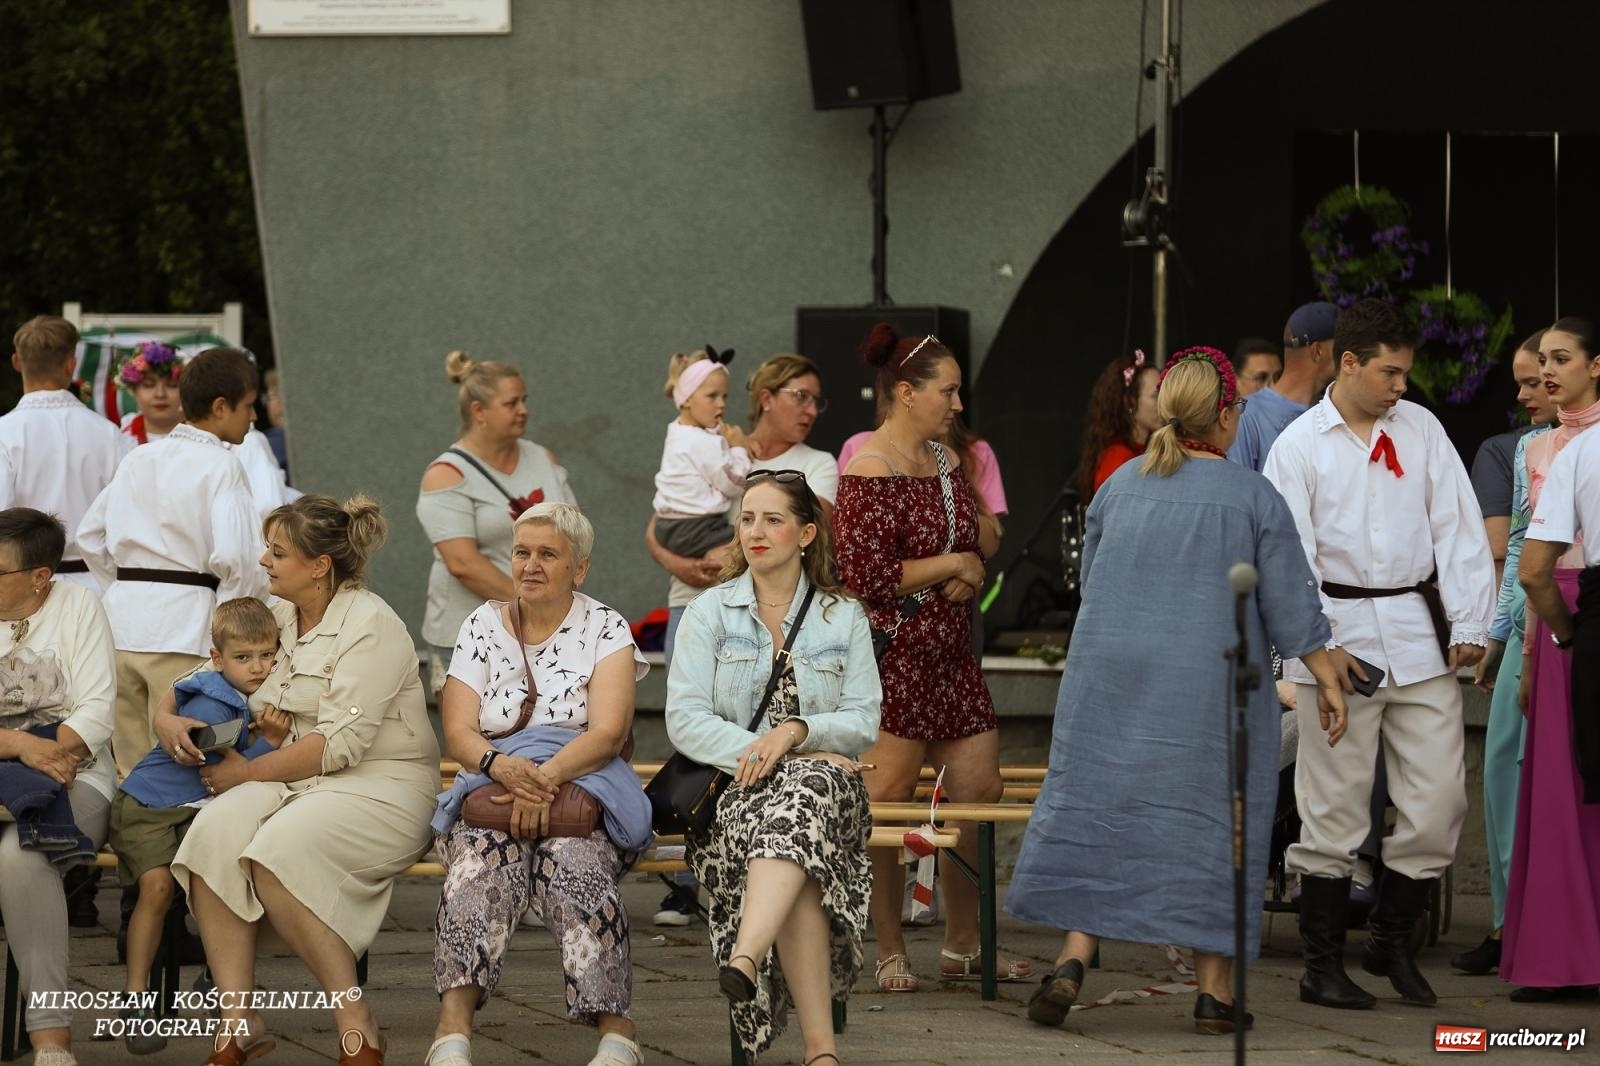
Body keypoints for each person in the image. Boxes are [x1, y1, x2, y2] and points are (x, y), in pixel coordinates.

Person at [1008, 348, 1346, 1034]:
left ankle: (1072, 959)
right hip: (1209, 684)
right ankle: (1214, 993)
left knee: (1101, 806)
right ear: (1226, 417)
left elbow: (1092, 581)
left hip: (1109, 677)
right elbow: (1290, 607)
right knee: (1216, 822)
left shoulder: (1120, 484)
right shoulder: (1253, 494)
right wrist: (1329, 676)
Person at [1263, 298, 1495, 1010]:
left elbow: (1457, 526)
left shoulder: (1421, 429)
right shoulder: (1299, 445)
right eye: (1389, 372)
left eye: (1406, 373)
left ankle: (1392, 939)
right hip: (1334, 644)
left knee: (1440, 802)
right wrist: (1314, 646)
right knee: (1331, 807)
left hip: (1416, 634)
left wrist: (1470, 621)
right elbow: (1287, 554)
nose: (1401, 386)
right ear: (1349, 362)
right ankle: (1322, 965)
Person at [153, 494, 438, 1065]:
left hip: (381, 785)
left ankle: (355, 1016)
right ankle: (238, 1020)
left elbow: (340, 744)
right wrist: (166, 718)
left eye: (277, 552)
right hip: (287, 781)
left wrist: (247, 771)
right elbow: (202, 675)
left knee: (275, 851)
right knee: (211, 833)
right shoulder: (276, 613)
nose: (264, 561)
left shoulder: (372, 622)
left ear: (319, 566)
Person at [836, 324, 1029, 991]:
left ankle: (963, 943)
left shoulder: (947, 462)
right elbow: (865, 575)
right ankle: (889, 947)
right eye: (947, 391)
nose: (956, 404)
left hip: (951, 658)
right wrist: (951, 562)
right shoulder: (867, 469)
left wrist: (968, 564)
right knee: (886, 802)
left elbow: (978, 541)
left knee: (979, 793)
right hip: (894, 663)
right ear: (907, 393)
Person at [665, 470, 881, 1064]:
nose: (755, 532)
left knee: (808, 791)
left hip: (826, 787)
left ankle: (746, 954)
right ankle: (821, 1053)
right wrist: (760, 751)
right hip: (738, 789)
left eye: (773, 519)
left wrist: (798, 733)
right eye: (747, 519)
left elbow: (864, 719)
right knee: (797, 858)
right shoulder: (711, 611)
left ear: (807, 533)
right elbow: (684, 719)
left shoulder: (843, 616)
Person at [428, 502, 652, 1066]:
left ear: (579, 569)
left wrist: (545, 779)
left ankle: (617, 1035)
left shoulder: (606, 627)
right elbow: (457, 729)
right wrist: (505, 769)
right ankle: (451, 1035)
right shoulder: (481, 624)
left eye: (548, 554)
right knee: (477, 869)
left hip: (579, 785)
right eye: (522, 552)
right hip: (494, 784)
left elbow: (607, 732)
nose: (530, 565)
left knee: (578, 868)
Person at [645, 353, 839, 927]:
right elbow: (661, 519)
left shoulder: (816, 462)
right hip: (696, 603)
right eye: (799, 396)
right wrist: (673, 560)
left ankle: (755, 871)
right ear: (766, 398)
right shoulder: (712, 442)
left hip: (772, 612)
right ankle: (685, 878)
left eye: (815, 400)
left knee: (760, 726)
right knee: (698, 724)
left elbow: (818, 526)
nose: (809, 409)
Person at [107, 597, 289, 1055]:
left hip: (191, 808)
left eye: (267, 655)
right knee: (157, 890)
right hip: (148, 805)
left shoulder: (226, 692)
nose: (259, 667)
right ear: (217, 658)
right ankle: (134, 997)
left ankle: (215, 976)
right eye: (244, 658)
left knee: (226, 874)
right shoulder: (213, 704)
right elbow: (222, 769)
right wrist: (268, 741)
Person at [77, 346, 269, 779]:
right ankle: (172, 846)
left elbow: (89, 536)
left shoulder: (139, 456)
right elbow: (238, 560)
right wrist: (231, 626)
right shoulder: (222, 466)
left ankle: (132, 843)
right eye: (248, 405)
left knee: (129, 765)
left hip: (122, 627)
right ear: (221, 407)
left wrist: (124, 587)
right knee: (180, 763)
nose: (254, 416)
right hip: (185, 630)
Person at [1501, 316, 1600, 1002]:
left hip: (1572, 610)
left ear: (1596, 364)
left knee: (1573, 787)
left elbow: (1535, 565)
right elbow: (1521, 555)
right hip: (1555, 616)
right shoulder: (1540, 449)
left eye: (1561, 359)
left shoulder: (1578, 454)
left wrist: (1561, 635)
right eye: (1542, 362)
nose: (1546, 373)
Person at [1453, 332, 1555, 976]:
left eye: (1540, 375)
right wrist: (1495, 635)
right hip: (1524, 626)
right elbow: (1515, 549)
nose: (1525, 392)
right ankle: (1505, 924)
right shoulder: (1524, 451)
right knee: (1500, 778)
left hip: (1579, 618)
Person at [0, 508, 117, 1066]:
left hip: (75, 770)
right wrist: (22, 747)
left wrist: (53, 751)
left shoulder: (79, 606)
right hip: (22, 758)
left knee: (22, 856)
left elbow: (97, 711)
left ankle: (50, 1036)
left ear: (39, 576)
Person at [417, 350, 575, 699]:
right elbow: (463, 564)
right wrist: (535, 608)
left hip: (546, 629)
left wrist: (555, 617)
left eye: (524, 400)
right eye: (511, 403)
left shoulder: (542, 458)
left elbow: (573, 534)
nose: (524, 410)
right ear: (479, 412)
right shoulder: (445, 475)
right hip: (470, 633)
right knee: (475, 741)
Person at [0, 316, 126, 594]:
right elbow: (125, 515)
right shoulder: (108, 433)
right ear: (71, 364)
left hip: (26, 589)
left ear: (17, 362)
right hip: (98, 587)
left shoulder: (4, 433)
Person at [652, 346, 750, 558]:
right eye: (712, 396)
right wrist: (739, 448)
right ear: (686, 398)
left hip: (665, 526)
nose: (721, 404)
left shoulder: (677, 430)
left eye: (725, 396)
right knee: (749, 541)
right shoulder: (704, 442)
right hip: (695, 528)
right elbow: (733, 484)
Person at [1229, 301, 1340, 472]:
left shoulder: (1334, 411)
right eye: (1342, 347)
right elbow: (1239, 493)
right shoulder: (1246, 415)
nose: (1350, 358)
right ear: (1317, 351)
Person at [1072, 350, 1160, 499]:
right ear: (1130, 402)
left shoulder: (1144, 452)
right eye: (1155, 396)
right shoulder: (1118, 459)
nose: (1163, 402)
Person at [117, 341, 185, 445]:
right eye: (149, 385)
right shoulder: (121, 440)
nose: (160, 394)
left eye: (172, 385)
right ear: (134, 390)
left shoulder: (204, 439)